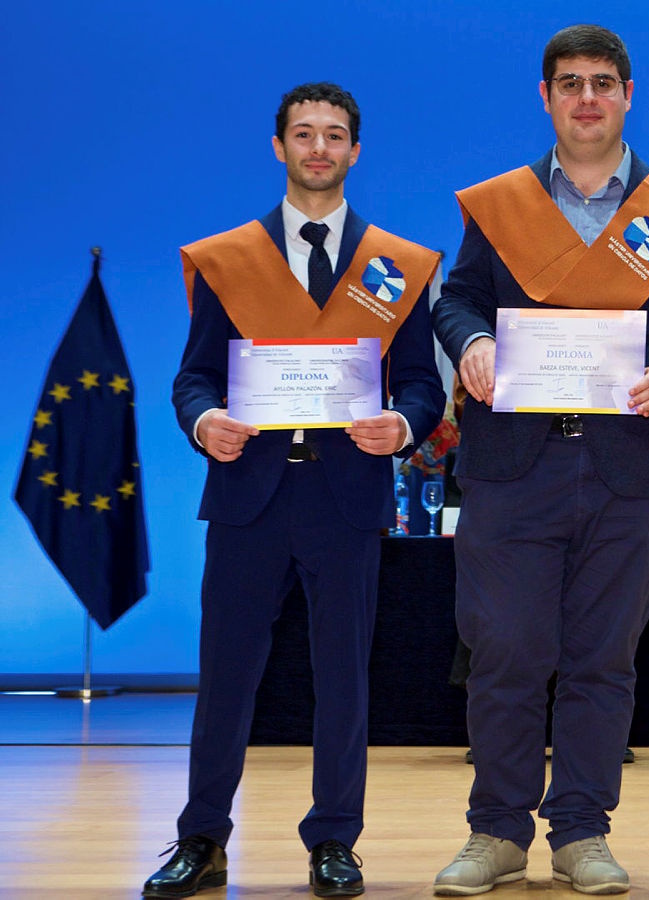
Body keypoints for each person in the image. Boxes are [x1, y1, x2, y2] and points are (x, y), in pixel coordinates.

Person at [429, 24, 649, 897]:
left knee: (603, 659)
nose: (588, 97)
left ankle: (581, 832)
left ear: (631, 94)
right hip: (514, 465)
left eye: (604, 81)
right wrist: (476, 340)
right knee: (507, 652)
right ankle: (495, 833)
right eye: (570, 83)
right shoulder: (502, 204)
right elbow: (456, 300)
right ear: (546, 96)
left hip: (628, 467)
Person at [154, 82, 445, 899]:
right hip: (248, 496)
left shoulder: (397, 265)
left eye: (335, 135)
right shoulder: (228, 259)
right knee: (226, 676)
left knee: (344, 677)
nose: (319, 148)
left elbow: (422, 383)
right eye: (304, 134)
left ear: (356, 151)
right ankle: (200, 838)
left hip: (346, 496)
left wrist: (406, 424)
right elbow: (193, 377)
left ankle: (334, 842)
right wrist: (204, 418)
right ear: (278, 147)